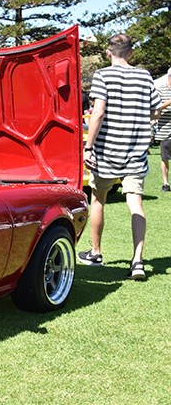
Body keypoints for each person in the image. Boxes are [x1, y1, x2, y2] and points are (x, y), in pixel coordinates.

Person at [78, 34, 161, 281]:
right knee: (135, 203)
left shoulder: (103, 76)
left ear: (108, 53)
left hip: (106, 151)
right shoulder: (145, 76)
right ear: (131, 53)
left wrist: (88, 147)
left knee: (98, 199)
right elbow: (154, 110)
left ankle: (95, 253)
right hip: (135, 151)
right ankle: (137, 261)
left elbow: (98, 112)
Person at [156, 67, 171, 192]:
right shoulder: (161, 91)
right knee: (165, 158)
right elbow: (157, 108)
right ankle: (165, 183)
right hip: (165, 130)